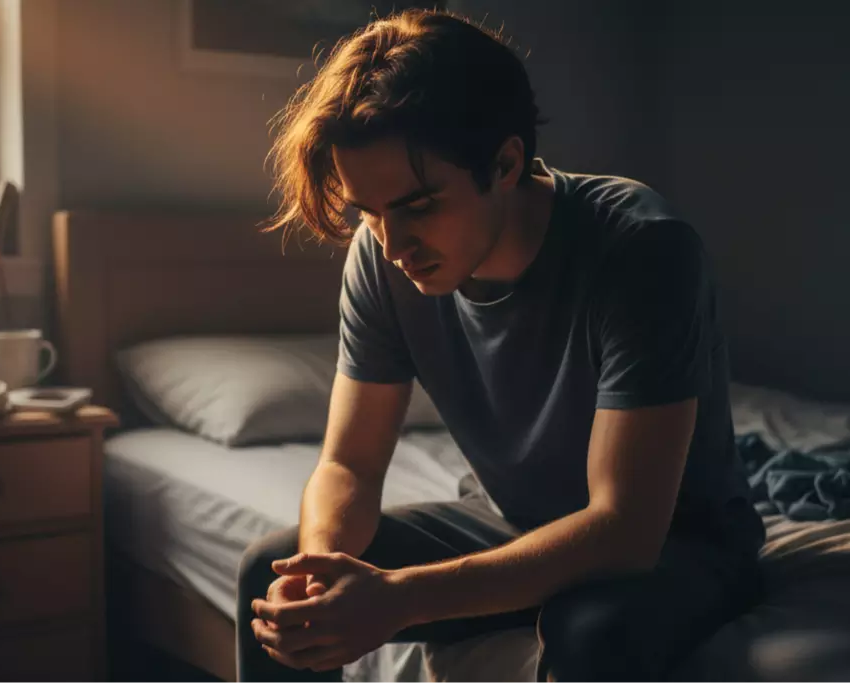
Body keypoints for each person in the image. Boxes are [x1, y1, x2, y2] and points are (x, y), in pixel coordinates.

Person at [237, 8, 766, 683]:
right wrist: (321, 577)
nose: (393, 245)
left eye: (419, 204)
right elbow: (349, 464)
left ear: (506, 162)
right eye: (369, 213)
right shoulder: (380, 255)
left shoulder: (641, 250)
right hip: (510, 522)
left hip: (677, 544)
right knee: (269, 573)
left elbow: (623, 528)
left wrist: (399, 598)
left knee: (592, 630)